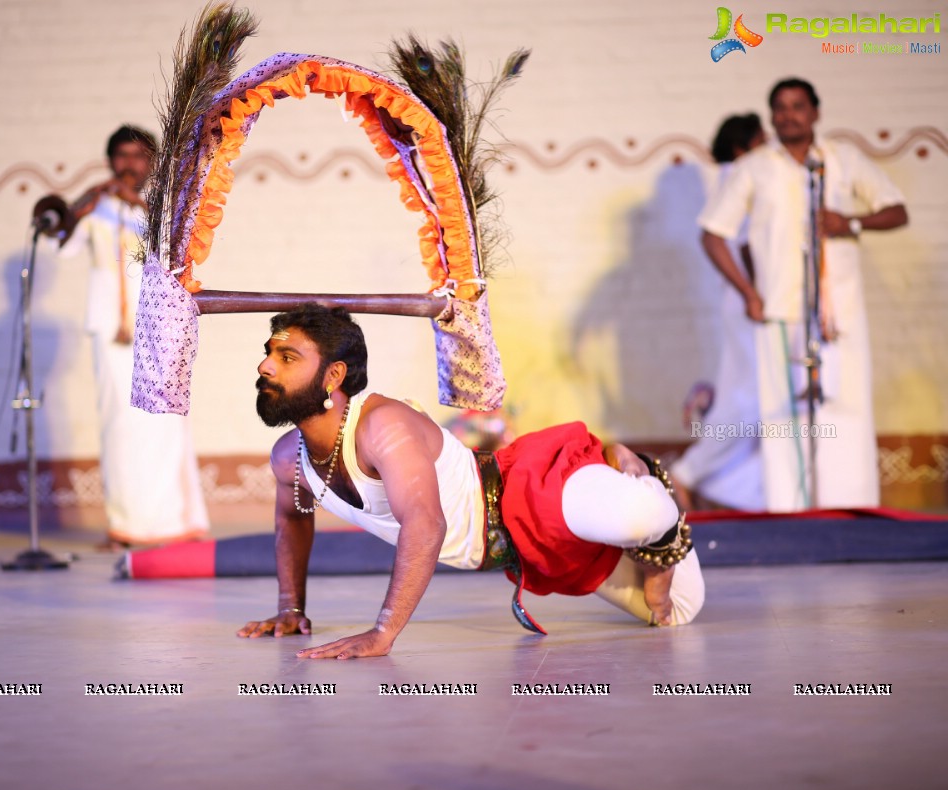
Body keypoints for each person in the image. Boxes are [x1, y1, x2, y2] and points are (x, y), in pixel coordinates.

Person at [237, 304, 704, 659]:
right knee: (681, 612)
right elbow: (292, 521)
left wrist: (383, 632)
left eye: (286, 356)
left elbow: (426, 525)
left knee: (638, 515)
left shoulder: (382, 427)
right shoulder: (288, 460)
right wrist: (290, 607)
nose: (265, 367)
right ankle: (621, 484)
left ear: (332, 375)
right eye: (268, 354)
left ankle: (635, 472)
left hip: (529, 493)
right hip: (527, 550)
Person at [697, 78, 908, 511]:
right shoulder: (754, 166)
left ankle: (851, 509)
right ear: (772, 115)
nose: (788, 114)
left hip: (840, 315)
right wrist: (749, 294)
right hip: (778, 314)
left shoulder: (843, 160)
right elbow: (714, 233)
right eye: (780, 107)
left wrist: (849, 223)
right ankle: (791, 511)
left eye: (797, 106)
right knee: (782, 419)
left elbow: (896, 210)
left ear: (816, 112)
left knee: (845, 411)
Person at [59, 125, 209, 548]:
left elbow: (179, 250)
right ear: (110, 162)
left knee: (164, 423)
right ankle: (123, 525)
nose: (129, 165)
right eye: (122, 156)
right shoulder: (96, 207)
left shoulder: (164, 206)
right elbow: (61, 241)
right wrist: (88, 198)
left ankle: (177, 524)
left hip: (159, 328)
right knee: (117, 426)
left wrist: (139, 205)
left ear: (152, 163)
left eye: (139, 156)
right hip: (109, 330)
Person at [672, 113, 767, 511]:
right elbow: (744, 243)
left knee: (747, 398)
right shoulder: (746, 176)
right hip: (753, 303)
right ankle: (688, 473)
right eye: (763, 142)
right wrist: (757, 291)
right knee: (749, 400)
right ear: (743, 148)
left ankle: (712, 483)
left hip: (745, 301)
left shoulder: (737, 176)